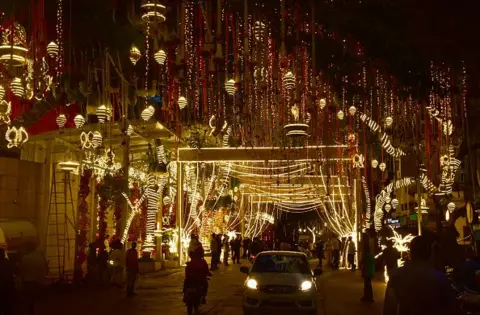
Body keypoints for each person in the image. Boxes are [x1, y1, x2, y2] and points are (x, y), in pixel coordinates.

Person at [383, 235, 457, 315]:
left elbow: (389, 309)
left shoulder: (395, 275)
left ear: (410, 252)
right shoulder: (439, 278)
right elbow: (451, 309)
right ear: (430, 252)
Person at [19, 243, 47, 315]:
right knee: (37, 304)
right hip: (39, 283)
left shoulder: (25, 258)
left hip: (28, 283)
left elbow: (22, 271)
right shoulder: (41, 257)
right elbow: (46, 269)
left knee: (28, 304)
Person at [0, 248, 15, 315]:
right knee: (7, 303)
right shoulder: (8, 262)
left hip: (3, 286)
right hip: (8, 286)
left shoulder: (7, 262)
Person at [361, 236, 375, 303]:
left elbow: (362, 263)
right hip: (371, 272)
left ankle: (367, 297)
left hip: (367, 272)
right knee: (368, 285)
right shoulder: (371, 255)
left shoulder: (365, 256)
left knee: (367, 285)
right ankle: (369, 297)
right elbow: (374, 262)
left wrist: (362, 271)